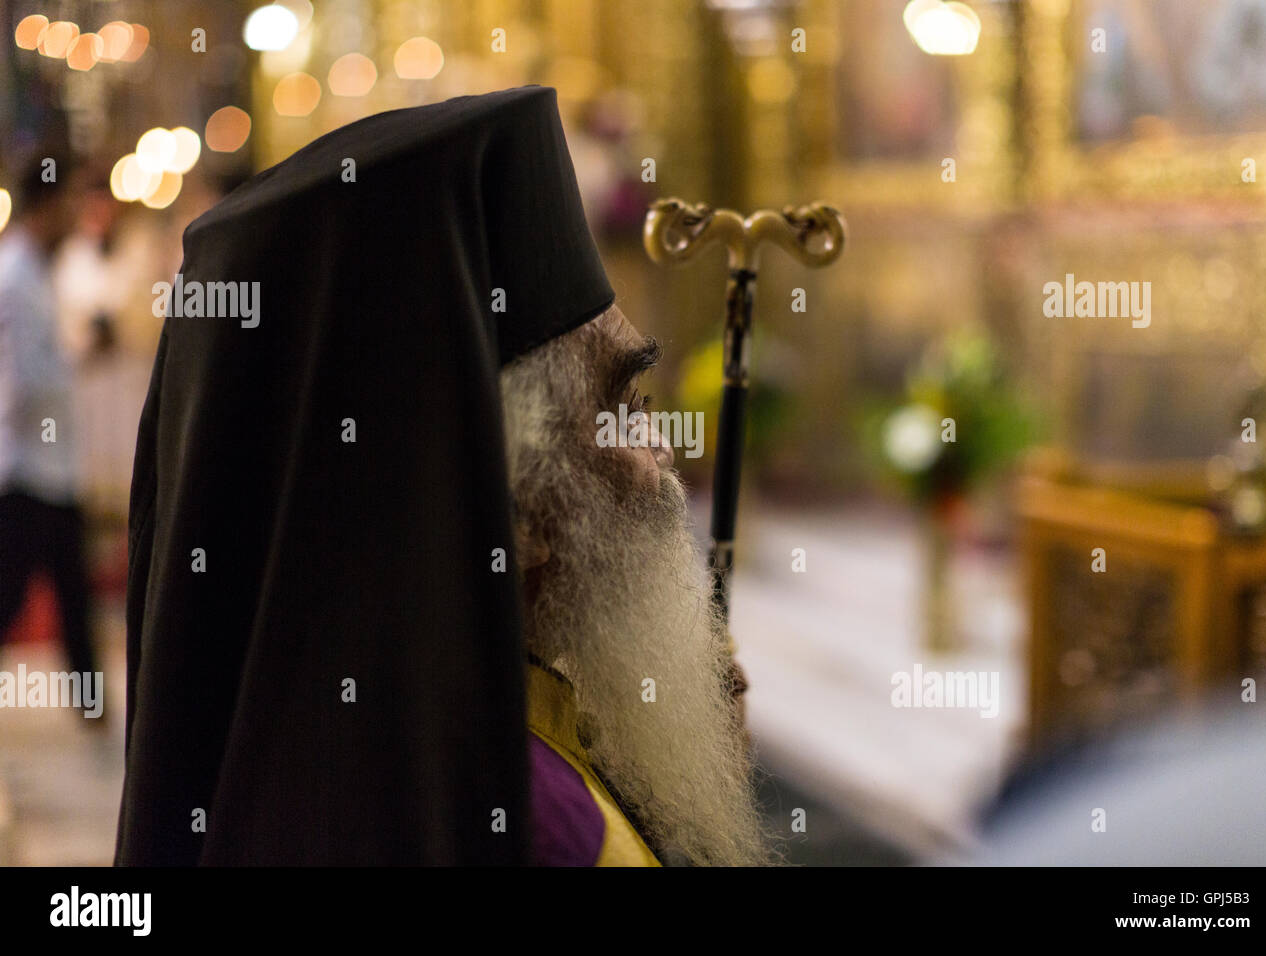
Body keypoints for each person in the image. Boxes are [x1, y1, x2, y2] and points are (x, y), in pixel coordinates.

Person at [116, 86, 771, 866]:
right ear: (511, 506)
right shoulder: (549, 833)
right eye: (620, 405)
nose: (662, 450)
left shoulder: (329, 751)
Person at [0, 152, 100, 698]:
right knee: (12, 594)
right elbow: (25, 379)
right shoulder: (15, 274)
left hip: (51, 466)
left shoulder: (37, 269)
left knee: (73, 593)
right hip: (25, 467)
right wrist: (78, 358)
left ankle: (92, 706)